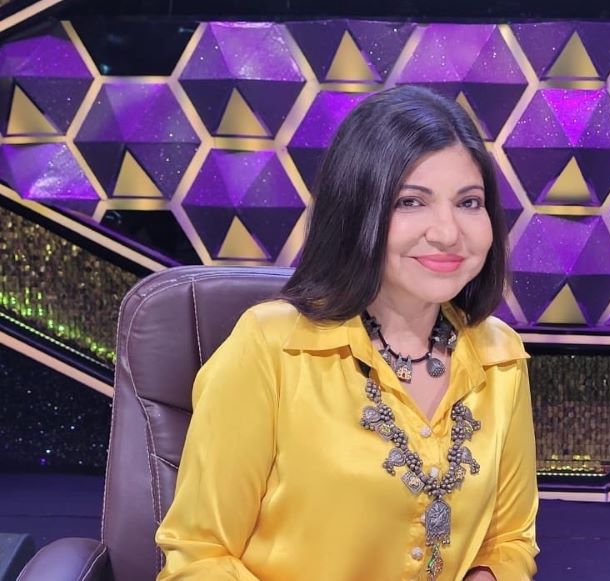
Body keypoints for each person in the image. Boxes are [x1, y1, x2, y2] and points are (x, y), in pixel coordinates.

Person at [155, 85, 538, 581]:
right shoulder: (270, 347)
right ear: (357, 211)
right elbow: (199, 555)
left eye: (469, 202)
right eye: (410, 202)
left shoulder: (499, 355)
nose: (447, 232)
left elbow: (509, 539)